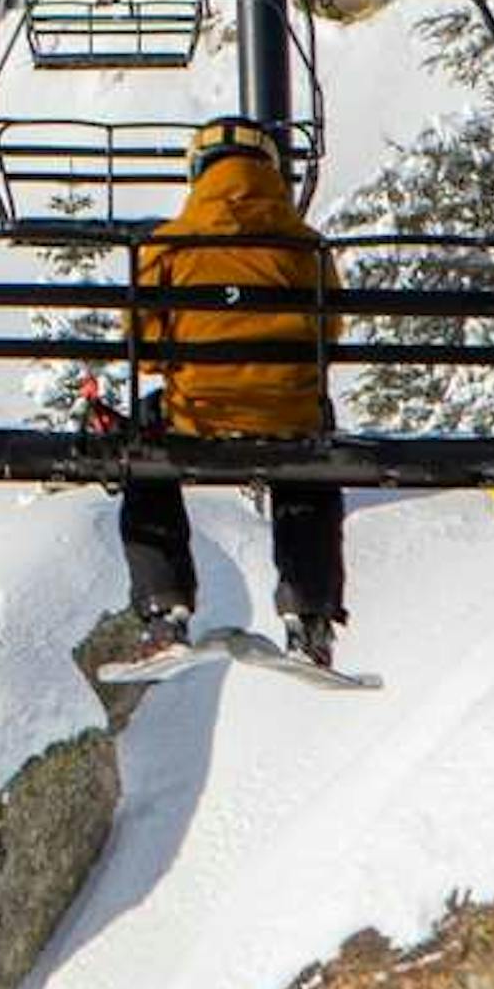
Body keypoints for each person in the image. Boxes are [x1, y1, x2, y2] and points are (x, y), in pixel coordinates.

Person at [113, 115, 345, 670]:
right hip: (287, 417)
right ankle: (309, 616)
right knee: (311, 444)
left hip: (198, 417)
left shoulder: (168, 247)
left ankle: (165, 609)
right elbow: (328, 333)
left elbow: (141, 348)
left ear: (198, 174)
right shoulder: (305, 248)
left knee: (144, 448)